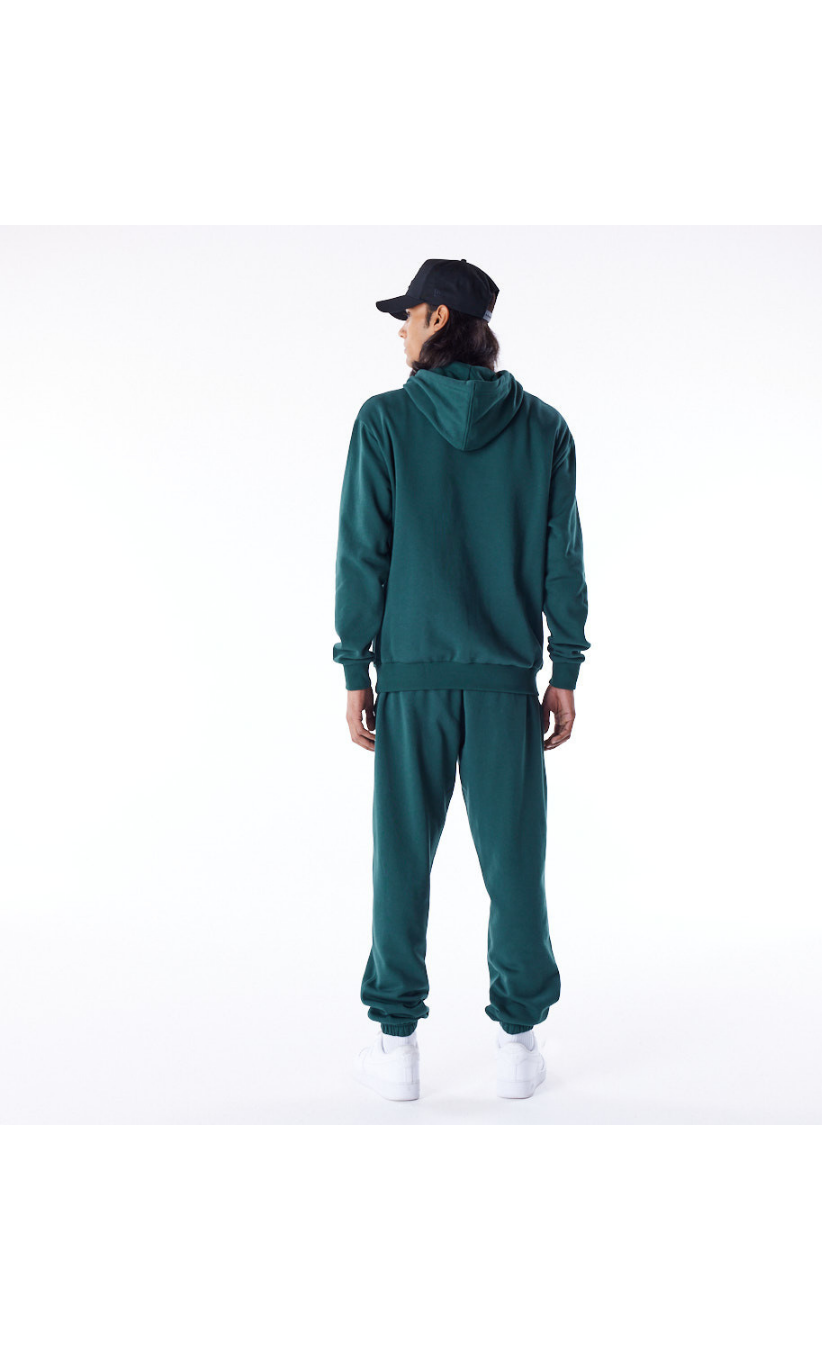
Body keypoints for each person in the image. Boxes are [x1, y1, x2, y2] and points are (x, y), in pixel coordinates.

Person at [333, 258, 590, 1102]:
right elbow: (562, 561)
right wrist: (564, 668)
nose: (402, 332)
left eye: (408, 316)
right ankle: (518, 1046)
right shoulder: (544, 428)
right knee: (515, 866)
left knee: (400, 863)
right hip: (506, 684)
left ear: (438, 319)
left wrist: (355, 666)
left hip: (411, 681)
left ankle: (396, 1048)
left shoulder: (383, 421)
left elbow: (363, 554)